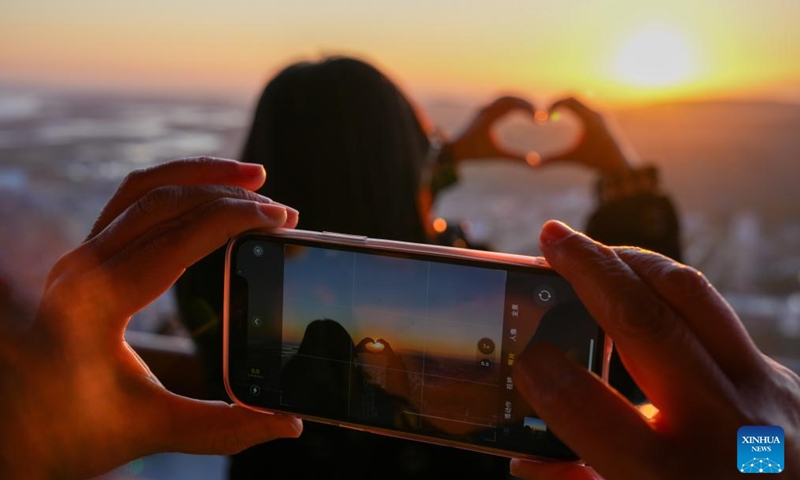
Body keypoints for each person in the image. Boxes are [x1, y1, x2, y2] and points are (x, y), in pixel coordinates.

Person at [1, 157, 797, 480]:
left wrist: (22, 438)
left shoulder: (210, 323)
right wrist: (779, 460)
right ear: (415, 184)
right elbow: (714, 420)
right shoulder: (472, 422)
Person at [177, 56, 680, 478]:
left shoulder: (216, 283)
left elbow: (356, 193)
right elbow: (629, 363)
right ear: (409, 167)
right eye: (424, 149)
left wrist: (436, 157)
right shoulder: (465, 294)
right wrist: (625, 181)